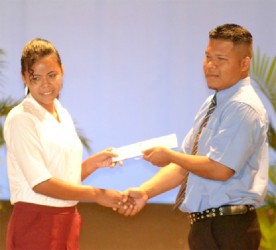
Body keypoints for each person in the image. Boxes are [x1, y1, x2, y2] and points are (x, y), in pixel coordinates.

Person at [118, 24, 269, 250]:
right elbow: (186, 163)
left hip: (230, 228)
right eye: (208, 57)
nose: (211, 65)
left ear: (244, 64)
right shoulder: (214, 103)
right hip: (207, 227)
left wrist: (170, 156)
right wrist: (145, 192)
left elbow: (220, 169)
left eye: (221, 59)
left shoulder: (243, 107)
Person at [4, 38, 132, 250]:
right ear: (24, 77)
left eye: (52, 75)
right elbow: (41, 183)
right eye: (36, 78)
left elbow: (63, 179)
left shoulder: (61, 112)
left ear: (62, 70)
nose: (46, 85)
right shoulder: (22, 118)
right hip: (35, 224)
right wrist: (97, 195)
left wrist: (92, 164)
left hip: (67, 222)